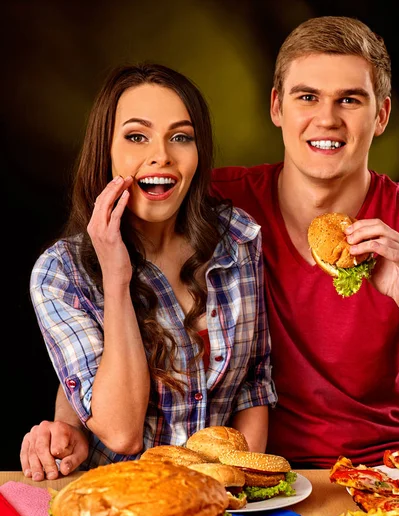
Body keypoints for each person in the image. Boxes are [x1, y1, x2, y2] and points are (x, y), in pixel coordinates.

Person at [22, 16, 399, 479]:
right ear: (277, 108)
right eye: (307, 96)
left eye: (350, 99)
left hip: (387, 470)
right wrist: (69, 428)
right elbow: (96, 313)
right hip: (268, 476)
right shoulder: (220, 207)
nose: (327, 118)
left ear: (381, 114)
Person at [20, 63, 276, 480]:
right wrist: (116, 279)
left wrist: (234, 491)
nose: (161, 155)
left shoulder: (239, 240)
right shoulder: (59, 274)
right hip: (120, 502)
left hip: (227, 504)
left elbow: (254, 383)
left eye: (181, 137)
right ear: (106, 150)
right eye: (137, 137)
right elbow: (121, 433)